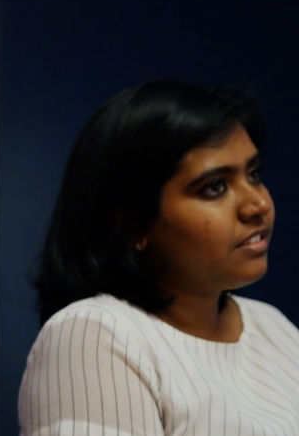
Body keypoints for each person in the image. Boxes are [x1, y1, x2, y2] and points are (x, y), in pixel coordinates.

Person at [18, 80, 299, 435]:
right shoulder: (95, 335)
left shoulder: (272, 327)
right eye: (214, 187)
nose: (258, 205)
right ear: (132, 226)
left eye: (254, 174)